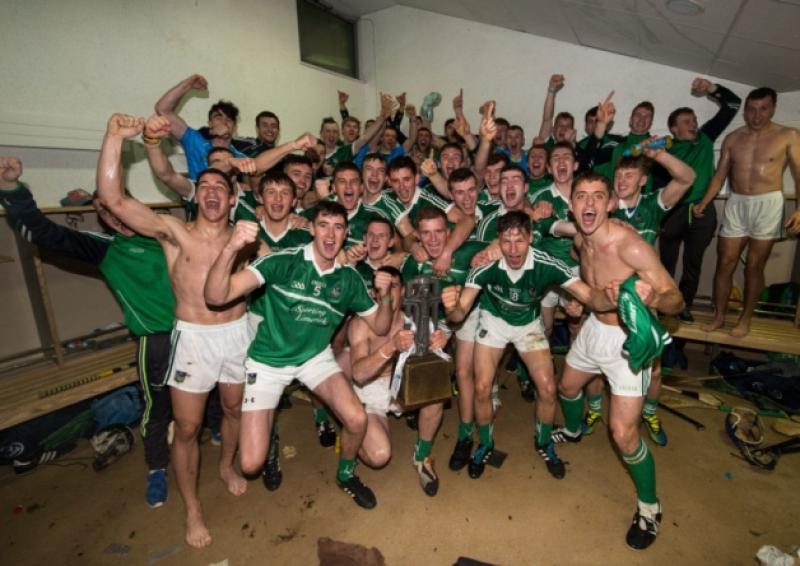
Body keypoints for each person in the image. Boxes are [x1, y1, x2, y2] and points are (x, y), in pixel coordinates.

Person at [97, 114, 271, 548]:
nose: (213, 193)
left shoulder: (249, 239)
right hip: (193, 339)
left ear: (233, 200)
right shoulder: (173, 233)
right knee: (189, 427)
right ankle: (192, 509)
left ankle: (227, 464)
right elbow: (114, 199)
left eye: (221, 189)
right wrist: (115, 137)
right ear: (197, 196)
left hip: (237, 334)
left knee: (233, 411)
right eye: (205, 187)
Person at [0, 156, 175, 509]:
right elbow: (46, 233)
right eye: (105, 212)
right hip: (157, 339)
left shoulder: (166, 234)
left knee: (214, 392)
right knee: (158, 409)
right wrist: (11, 189)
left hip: (196, 333)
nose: (113, 216)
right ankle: (157, 469)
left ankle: (217, 431)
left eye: (117, 207)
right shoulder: (107, 247)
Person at [204, 200, 394, 510]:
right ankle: (270, 438)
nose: (330, 235)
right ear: (312, 230)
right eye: (323, 225)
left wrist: (385, 297)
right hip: (268, 362)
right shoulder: (283, 262)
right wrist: (231, 248)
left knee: (357, 419)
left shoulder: (348, 279)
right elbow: (215, 296)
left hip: (313, 358)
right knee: (251, 464)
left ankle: (345, 475)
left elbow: (382, 326)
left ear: (346, 233)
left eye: (338, 227)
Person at [553, 171, 684, 550]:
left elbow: (677, 300)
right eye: (581, 196)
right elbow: (556, 229)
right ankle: (576, 430)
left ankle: (649, 506)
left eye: (598, 196)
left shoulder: (632, 247)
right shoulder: (580, 237)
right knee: (567, 386)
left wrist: (652, 299)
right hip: (595, 328)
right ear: (572, 203)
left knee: (623, 434)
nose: (589, 204)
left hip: (630, 340)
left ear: (611, 203)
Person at [442, 211, 609, 480]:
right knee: (482, 386)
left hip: (528, 326)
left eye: (519, 241)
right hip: (494, 321)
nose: (512, 249)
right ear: (498, 240)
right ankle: (485, 443)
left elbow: (590, 295)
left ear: (530, 238)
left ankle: (544, 441)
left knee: (547, 386)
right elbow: (459, 314)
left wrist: (614, 296)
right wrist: (450, 308)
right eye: (506, 242)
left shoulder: (547, 263)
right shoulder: (486, 265)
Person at [694, 87, 800, 337]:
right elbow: (719, 175)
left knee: (754, 265)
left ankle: (745, 318)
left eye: (763, 109)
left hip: (769, 202)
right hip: (737, 201)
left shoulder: (789, 135)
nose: (757, 115)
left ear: (772, 108)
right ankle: (719, 316)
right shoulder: (733, 138)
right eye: (751, 109)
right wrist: (704, 202)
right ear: (745, 110)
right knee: (725, 262)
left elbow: (798, 174)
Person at [348, 266, 448, 496]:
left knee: (436, 394)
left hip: (402, 386)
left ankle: (422, 456)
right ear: (374, 293)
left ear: (402, 291)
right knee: (379, 456)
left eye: (393, 286)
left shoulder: (415, 318)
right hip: (370, 391)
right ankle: (352, 432)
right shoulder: (361, 324)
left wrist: (440, 344)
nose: (388, 292)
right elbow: (359, 374)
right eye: (382, 288)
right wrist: (390, 346)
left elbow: (432, 364)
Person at [654, 78, 742, 322]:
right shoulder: (665, 146)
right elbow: (646, 171)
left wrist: (712, 89)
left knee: (693, 262)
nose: (693, 124)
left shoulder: (704, 138)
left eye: (694, 120)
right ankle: (664, 303)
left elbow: (733, 104)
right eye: (686, 122)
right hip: (673, 211)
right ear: (674, 128)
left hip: (702, 209)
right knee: (666, 262)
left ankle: (684, 305)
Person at [153, 74, 244, 181]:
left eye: (229, 119)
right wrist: (188, 84)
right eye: (218, 117)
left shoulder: (241, 158)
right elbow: (162, 109)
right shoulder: (195, 141)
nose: (224, 122)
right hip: (197, 194)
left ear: (234, 128)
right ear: (210, 123)